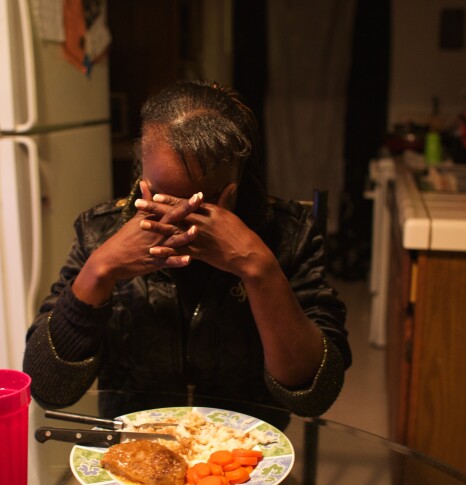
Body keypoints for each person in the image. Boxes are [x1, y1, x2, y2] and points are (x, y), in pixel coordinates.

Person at [23, 80, 350, 419]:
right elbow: (50, 390)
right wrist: (100, 270)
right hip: (135, 453)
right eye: (163, 198)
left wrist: (259, 269)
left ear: (233, 188)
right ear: (143, 175)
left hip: (243, 456)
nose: (177, 221)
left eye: (198, 204)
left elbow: (314, 396)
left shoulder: (288, 234)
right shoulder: (99, 231)